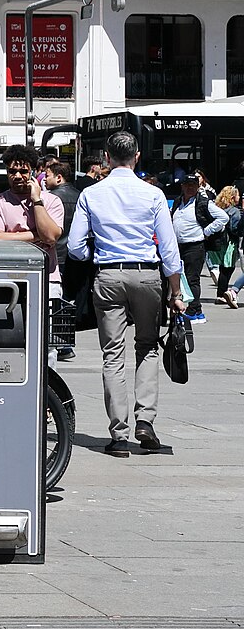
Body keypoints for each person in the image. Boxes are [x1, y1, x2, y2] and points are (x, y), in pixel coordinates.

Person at [67, 131, 186, 457]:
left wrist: (97, 254)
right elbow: (169, 249)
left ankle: (119, 434)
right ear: (136, 157)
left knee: (112, 354)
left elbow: (75, 247)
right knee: (147, 346)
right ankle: (145, 420)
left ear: (106, 158)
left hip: (108, 275)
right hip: (146, 274)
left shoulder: (91, 194)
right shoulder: (153, 194)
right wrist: (176, 291)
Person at [0, 145, 65, 285]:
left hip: (47, 277)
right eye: (12, 171)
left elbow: (50, 237)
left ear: (32, 172)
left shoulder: (52, 201)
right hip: (8, 278)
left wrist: (36, 200)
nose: (17, 176)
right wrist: (37, 236)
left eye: (23, 171)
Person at [169, 171, 225, 322]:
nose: (190, 188)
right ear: (182, 186)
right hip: (179, 246)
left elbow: (223, 217)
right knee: (181, 279)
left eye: (193, 185)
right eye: (187, 185)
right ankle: (195, 310)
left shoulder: (203, 202)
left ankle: (193, 311)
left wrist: (207, 231)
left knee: (192, 279)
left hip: (195, 246)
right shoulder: (178, 201)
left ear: (198, 187)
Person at [44, 159, 85, 358]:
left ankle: (59, 344)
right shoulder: (80, 196)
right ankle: (66, 343)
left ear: (59, 178)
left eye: (47, 176)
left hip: (56, 254)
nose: (44, 180)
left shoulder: (50, 199)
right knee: (68, 300)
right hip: (76, 255)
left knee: (54, 302)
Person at [210, 186, 241, 309]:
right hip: (230, 242)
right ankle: (222, 293)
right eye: (238, 195)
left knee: (223, 267)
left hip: (218, 242)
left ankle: (221, 293)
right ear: (232, 197)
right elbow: (235, 228)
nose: (239, 197)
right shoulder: (234, 211)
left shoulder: (217, 208)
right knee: (228, 268)